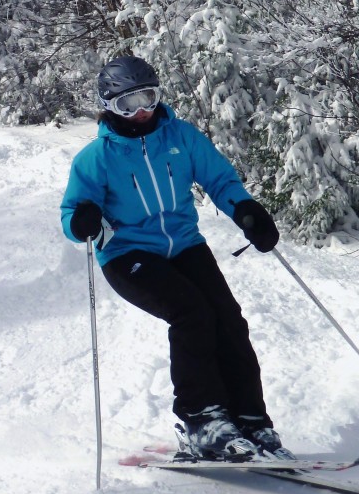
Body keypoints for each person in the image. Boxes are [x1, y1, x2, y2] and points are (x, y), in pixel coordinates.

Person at [60, 55, 292, 461]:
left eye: (148, 97)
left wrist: (246, 211)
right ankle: (202, 421)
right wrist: (83, 220)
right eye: (128, 104)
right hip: (127, 254)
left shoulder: (181, 137)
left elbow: (220, 178)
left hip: (184, 244)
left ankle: (250, 420)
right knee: (191, 313)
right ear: (109, 106)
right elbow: (72, 213)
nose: (142, 111)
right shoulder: (96, 158)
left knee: (228, 319)